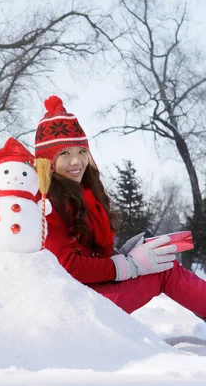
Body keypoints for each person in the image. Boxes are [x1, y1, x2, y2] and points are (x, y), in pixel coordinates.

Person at [34, 95, 206, 318]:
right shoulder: (45, 203)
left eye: (81, 152)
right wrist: (128, 265)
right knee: (165, 272)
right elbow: (66, 266)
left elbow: (88, 250)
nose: (76, 162)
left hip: (90, 292)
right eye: (65, 154)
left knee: (165, 264)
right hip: (76, 305)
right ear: (47, 160)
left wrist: (124, 254)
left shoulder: (85, 193)